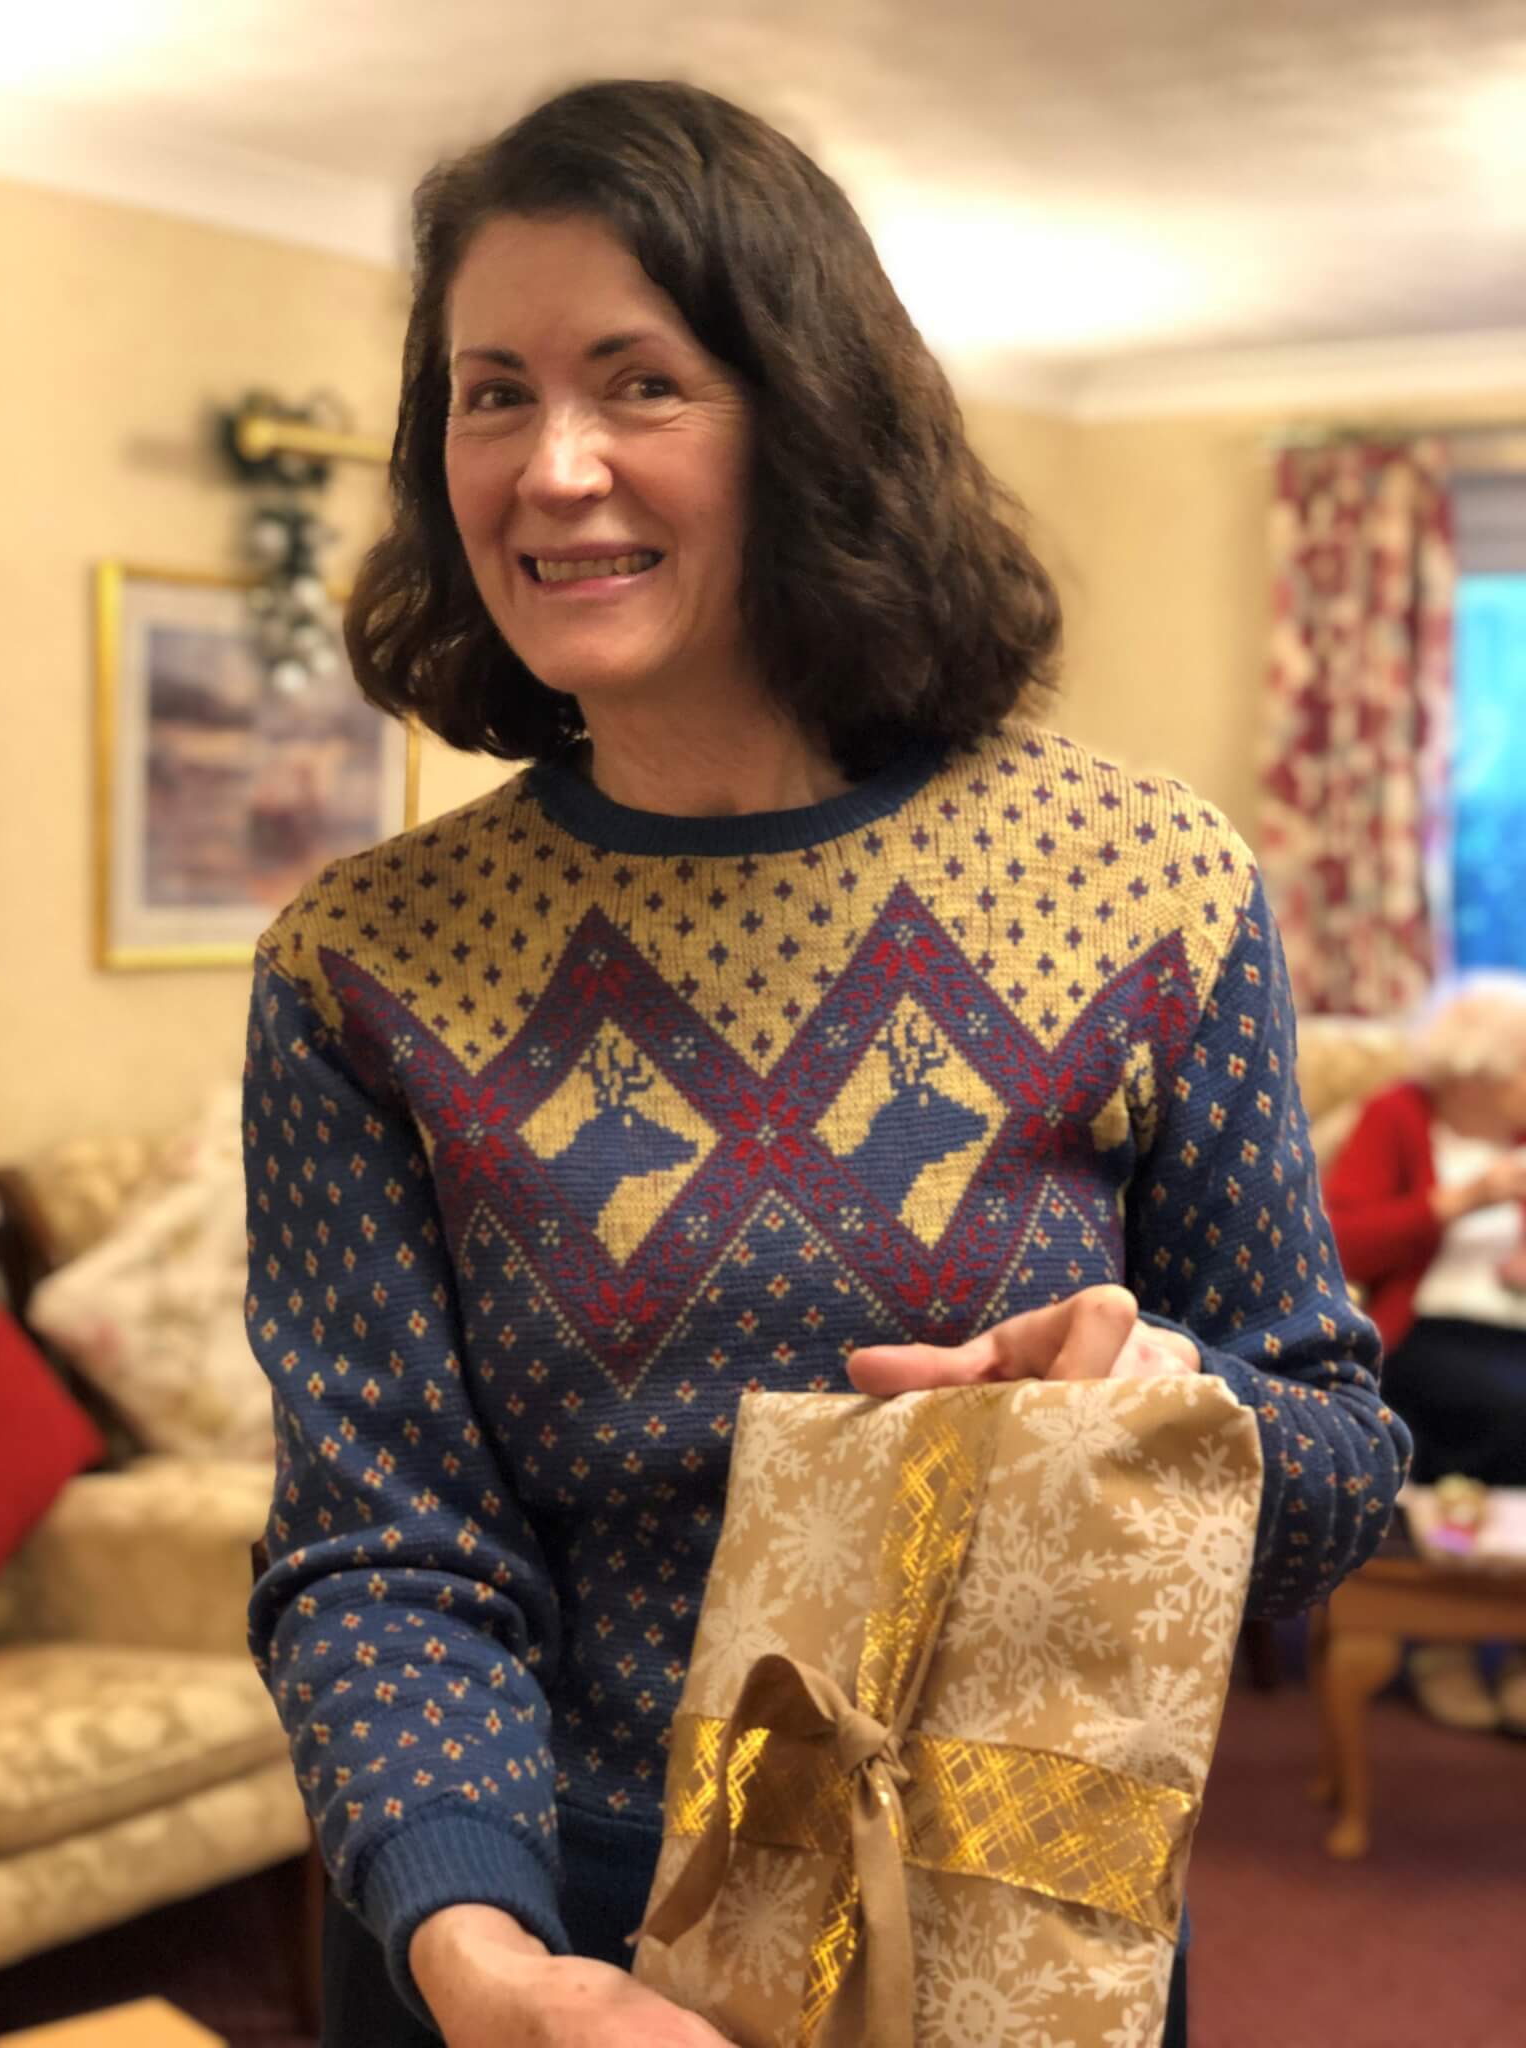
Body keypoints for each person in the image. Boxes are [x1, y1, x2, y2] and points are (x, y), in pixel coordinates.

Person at [243, 79, 1411, 2048]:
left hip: (1007, 1933)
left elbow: (1338, 1470)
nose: (553, 467)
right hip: (533, 1946)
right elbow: (381, 1550)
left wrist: (1166, 1412)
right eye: (492, 393)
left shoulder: (1149, 887)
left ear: (806, 414)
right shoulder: (360, 967)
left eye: (641, 382)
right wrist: (489, 1962)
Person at [1325, 977, 1526, 1734]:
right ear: (1482, 1072)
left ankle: (1516, 1643)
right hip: (1427, 1330)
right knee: (1494, 1404)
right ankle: (1445, 1639)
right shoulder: (1398, 1116)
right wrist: (1464, 1200)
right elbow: (1343, 1244)